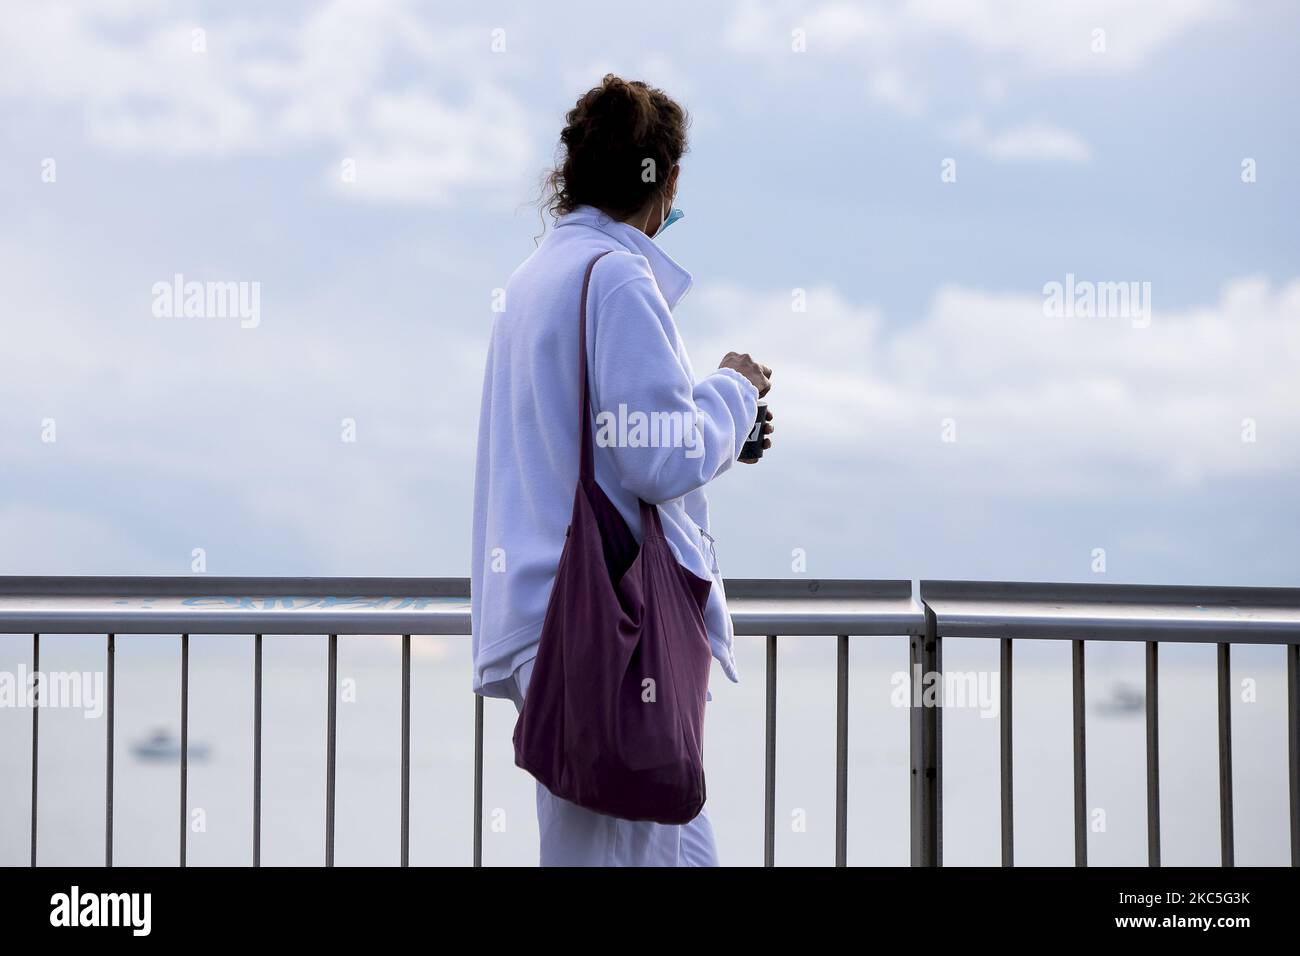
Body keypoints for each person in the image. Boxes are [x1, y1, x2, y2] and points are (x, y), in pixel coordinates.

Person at [470, 74, 773, 866]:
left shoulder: (534, 280)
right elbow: (658, 455)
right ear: (666, 177)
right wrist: (734, 391)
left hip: (553, 617)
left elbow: (587, 435)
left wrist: (715, 418)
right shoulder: (616, 278)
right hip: (607, 630)